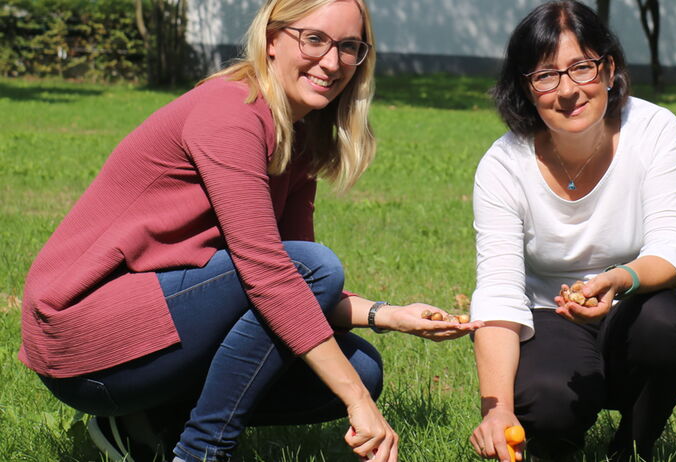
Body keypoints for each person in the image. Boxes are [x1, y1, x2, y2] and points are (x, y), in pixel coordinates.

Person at [18, 1, 482, 461]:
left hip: (154, 324)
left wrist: (387, 315)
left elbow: (299, 288)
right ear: (272, 40)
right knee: (317, 284)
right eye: (314, 39)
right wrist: (357, 404)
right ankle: (200, 452)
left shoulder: (299, 136)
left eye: (349, 46)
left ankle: (149, 423)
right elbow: (275, 275)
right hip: (84, 338)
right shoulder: (230, 111)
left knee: (362, 367)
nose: (332, 60)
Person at [467, 2, 676, 461]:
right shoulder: (503, 165)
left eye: (582, 68)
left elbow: (674, 249)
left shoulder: (654, 130)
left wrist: (619, 280)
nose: (568, 90)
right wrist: (494, 409)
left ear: (609, 69)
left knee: (667, 325)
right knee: (548, 406)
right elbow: (498, 292)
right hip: (548, 314)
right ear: (526, 88)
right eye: (546, 75)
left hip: (634, 305)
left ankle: (633, 445)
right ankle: (557, 442)